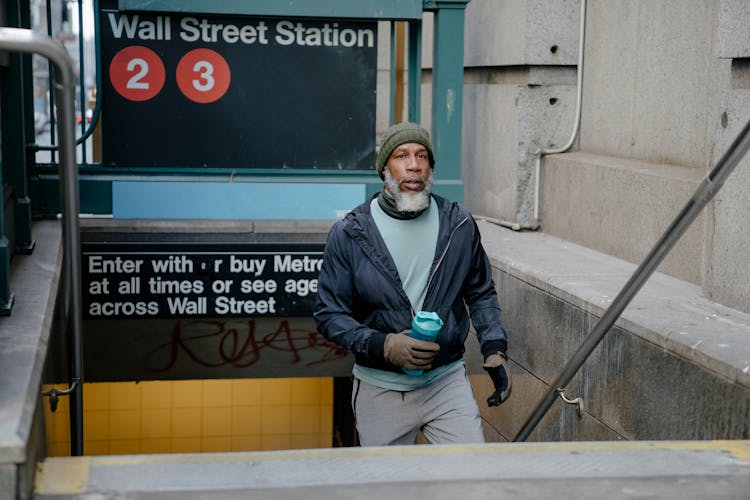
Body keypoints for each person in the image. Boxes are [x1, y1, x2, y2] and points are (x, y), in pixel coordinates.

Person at [314, 122, 512, 446]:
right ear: (385, 170)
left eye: (422, 155)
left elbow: (480, 291)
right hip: (380, 391)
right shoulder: (350, 233)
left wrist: (494, 347)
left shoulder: (459, 223)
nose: (413, 165)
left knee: (470, 477)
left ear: (430, 166)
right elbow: (329, 315)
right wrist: (385, 345)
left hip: (446, 383)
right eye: (401, 155)